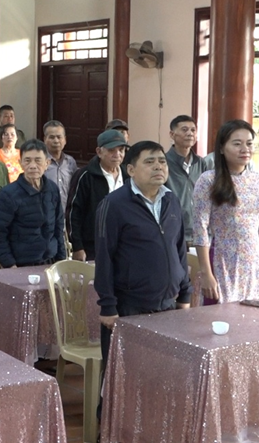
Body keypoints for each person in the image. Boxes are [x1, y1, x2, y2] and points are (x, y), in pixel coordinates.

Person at [95, 140, 191, 420]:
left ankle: (152, 429)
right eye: (149, 162)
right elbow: (104, 257)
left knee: (161, 375)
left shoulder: (171, 200)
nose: (158, 167)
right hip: (129, 305)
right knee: (122, 374)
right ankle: (110, 430)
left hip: (167, 304)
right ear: (131, 170)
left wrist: (185, 292)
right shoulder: (114, 204)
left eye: (161, 161)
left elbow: (179, 249)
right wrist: (108, 305)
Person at [192, 120, 259, 303]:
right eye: (237, 144)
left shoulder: (258, 180)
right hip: (223, 262)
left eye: (249, 143)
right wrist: (206, 273)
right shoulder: (208, 180)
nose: (245, 149)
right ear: (221, 148)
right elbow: (200, 229)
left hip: (255, 265)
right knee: (221, 317)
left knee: (255, 316)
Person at [0, 139, 66, 267]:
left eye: (38, 160)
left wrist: (61, 260)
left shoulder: (52, 189)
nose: (32, 166)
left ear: (47, 163)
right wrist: (10, 265)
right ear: (20, 163)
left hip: (51, 260)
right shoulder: (8, 194)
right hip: (21, 263)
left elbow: (58, 227)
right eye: (27, 160)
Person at [69, 129, 129, 261]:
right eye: (111, 150)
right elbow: (74, 213)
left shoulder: (128, 177)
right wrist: (77, 246)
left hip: (123, 244)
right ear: (99, 152)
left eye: (121, 150)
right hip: (92, 245)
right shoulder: (84, 176)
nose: (117, 154)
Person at [164, 115, 214, 246]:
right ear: (172, 134)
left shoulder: (201, 163)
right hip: (174, 233)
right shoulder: (164, 163)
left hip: (200, 233)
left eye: (193, 130)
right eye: (184, 130)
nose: (190, 133)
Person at [42, 120, 78, 208]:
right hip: (46, 211)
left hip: (67, 210)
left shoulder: (70, 162)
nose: (56, 141)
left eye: (59, 137)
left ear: (65, 140)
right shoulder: (40, 162)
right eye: (51, 137)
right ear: (45, 139)